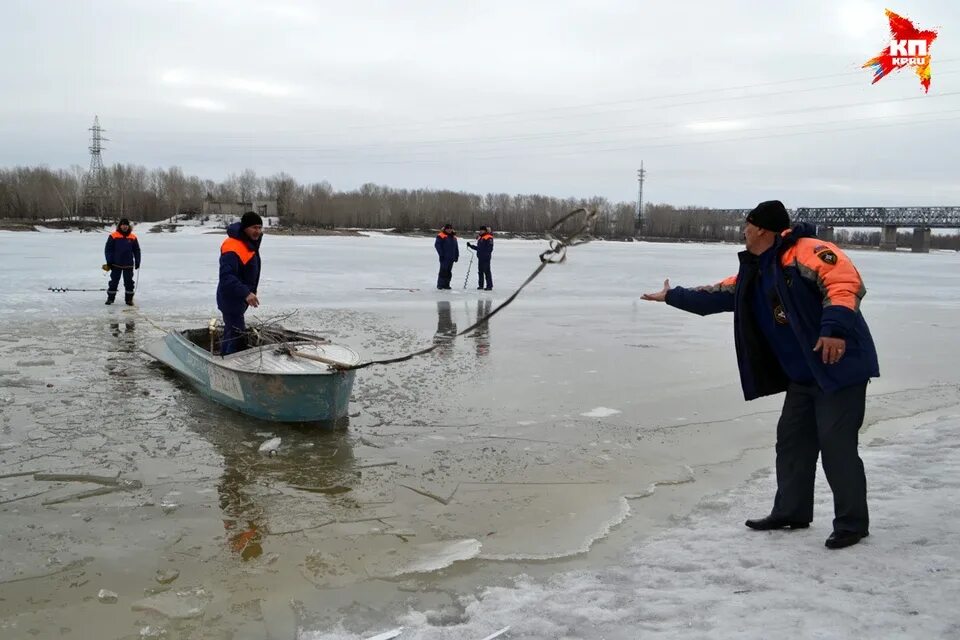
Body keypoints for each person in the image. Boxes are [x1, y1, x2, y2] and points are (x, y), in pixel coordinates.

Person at [641, 200, 879, 550]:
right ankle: (791, 512)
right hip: (804, 375)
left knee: (836, 446)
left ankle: (852, 523)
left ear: (763, 230)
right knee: (792, 443)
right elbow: (721, 294)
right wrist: (673, 296)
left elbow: (844, 283)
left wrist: (834, 330)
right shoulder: (759, 269)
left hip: (838, 367)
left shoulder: (809, 251)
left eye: (748, 225)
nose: (743, 231)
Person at [217, 211, 263, 356]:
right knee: (236, 335)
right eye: (254, 227)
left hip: (240, 298)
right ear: (245, 228)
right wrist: (246, 293)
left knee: (232, 332)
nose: (258, 231)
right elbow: (226, 277)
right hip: (230, 298)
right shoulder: (233, 246)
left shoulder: (249, 243)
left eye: (260, 227)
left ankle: (225, 358)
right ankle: (227, 363)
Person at [103, 218, 141, 306]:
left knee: (129, 283)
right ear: (120, 226)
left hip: (128, 264)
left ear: (128, 226)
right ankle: (110, 299)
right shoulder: (113, 236)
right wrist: (109, 261)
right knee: (114, 282)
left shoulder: (133, 237)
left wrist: (138, 260)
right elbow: (108, 250)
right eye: (123, 225)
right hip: (116, 264)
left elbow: (136, 250)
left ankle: (129, 300)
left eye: (126, 225)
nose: (125, 227)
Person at [467, 226, 494, 290]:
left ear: (485, 231)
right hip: (480, 258)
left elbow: (490, 248)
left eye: (482, 230)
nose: (481, 231)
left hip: (486, 258)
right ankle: (481, 285)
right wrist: (471, 246)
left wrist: (486, 255)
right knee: (480, 272)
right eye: (480, 230)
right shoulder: (481, 238)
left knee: (487, 272)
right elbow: (479, 248)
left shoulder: (489, 237)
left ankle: (489, 286)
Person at [434, 224, 459, 290]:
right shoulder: (441, 235)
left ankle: (446, 284)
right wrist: (441, 254)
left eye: (450, 228)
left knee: (448, 272)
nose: (449, 230)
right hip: (444, 257)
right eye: (448, 228)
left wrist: (456, 256)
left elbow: (456, 248)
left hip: (451, 257)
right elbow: (437, 245)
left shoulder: (454, 237)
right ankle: (440, 284)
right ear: (445, 229)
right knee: (443, 271)